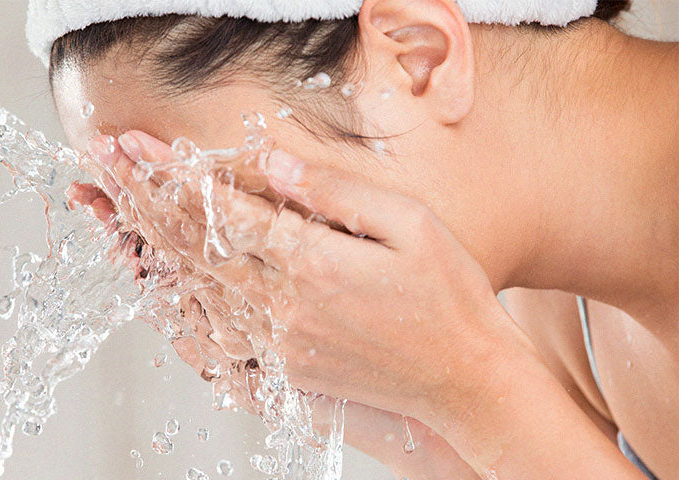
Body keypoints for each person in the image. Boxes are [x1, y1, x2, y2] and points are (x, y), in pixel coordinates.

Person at [35, 0, 678, 478]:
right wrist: (425, 423)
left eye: (229, 210)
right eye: (165, 227)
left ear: (419, 55)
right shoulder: (558, 309)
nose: (229, 273)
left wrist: (479, 386)